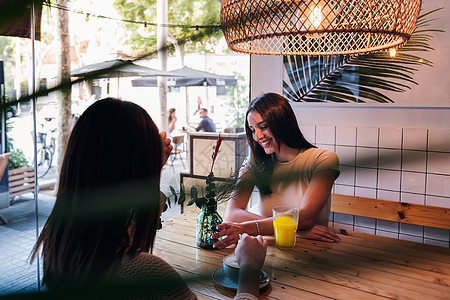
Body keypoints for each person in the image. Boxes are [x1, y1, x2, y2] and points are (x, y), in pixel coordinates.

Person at [30, 98, 267, 299]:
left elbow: (125, 225)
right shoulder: (146, 274)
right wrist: (249, 271)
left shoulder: (58, 244)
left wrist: (152, 166)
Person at [212, 93, 341, 249]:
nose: (257, 136)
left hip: (311, 251)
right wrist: (295, 230)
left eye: (263, 126)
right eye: (252, 130)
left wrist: (248, 227)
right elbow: (232, 214)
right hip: (268, 248)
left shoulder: (323, 160)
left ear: (283, 123)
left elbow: (305, 217)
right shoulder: (254, 162)